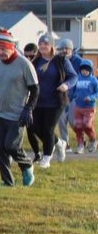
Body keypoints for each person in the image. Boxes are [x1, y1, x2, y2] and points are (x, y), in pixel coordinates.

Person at [0, 31, 38, 187]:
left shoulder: (24, 64)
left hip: (17, 113)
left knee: (11, 146)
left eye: (4, 49)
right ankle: (7, 181)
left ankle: (27, 164)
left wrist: (28, 109)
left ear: (12, 48)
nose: (1, 52)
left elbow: (35, 89)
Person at [29, 34, 77, 168]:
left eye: (46, 43)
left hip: (56, 101)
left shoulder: (61, 60)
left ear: (51, 46)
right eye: (41, 44)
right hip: (38, 101)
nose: (43, 46)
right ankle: (59, 143)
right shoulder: (35, 62)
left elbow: (73, 76)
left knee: (48, 128)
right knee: (35, 128)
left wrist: (66, 85)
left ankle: (46, 158)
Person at [54, 38, 83, 161]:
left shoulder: (78, 61)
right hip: (61, 96)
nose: (64, 51)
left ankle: (81, 142)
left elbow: (80, 78)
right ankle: (66, 144)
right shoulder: (57, 60)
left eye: (67, 48)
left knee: (73, 121)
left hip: (75, 96)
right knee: (61, 121)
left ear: (72, 50)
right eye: (62, 48)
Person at [72, 60, 98, 153]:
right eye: (83, 69)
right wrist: (72, 96)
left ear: (90, 70)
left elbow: (97, 92)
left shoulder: (94, 80)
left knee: (87, 125)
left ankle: (93, 140)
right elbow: (73, 90)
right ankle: (80, 145)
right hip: (78, 107)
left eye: (87, 70)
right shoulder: (77, 79)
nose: (84, 71)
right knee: (78, 126)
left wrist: (91, 98)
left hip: (89, 107)